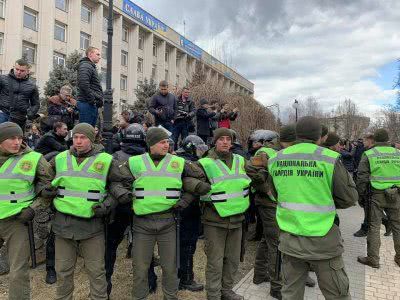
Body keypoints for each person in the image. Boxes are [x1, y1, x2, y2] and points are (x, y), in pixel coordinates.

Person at [110, 127, 210, 300]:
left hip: (169, 222)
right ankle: (139, 296)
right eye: (162, 142)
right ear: (151, 144)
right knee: (140, 267)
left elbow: (199, 179)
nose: (166, 145)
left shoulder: (178, 162)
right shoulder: (134, 162)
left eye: (167, 142)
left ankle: (170, 297)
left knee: (170, 266)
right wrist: (124, 196)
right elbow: (117, 182)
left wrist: (185, 201)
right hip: (142, 223)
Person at [267, 116, 358, 299]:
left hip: (290, 239)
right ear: (320, 136)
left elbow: (276, 194)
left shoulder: (276, 159)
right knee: (337, 294)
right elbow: (349, 198)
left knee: (290, 294)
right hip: (323, 242)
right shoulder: (329, 158)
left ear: (297, 134)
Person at [50, 123, 123, 299]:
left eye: (83, 138)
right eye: (75, 137)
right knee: (63, 273)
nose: (78, 141)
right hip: (63, 227)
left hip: (92, 226)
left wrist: (106, 205)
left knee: (97, 272)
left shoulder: (106, 160)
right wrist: (43, 191)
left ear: (92, 139)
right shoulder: (59, 158)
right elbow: (41, 179)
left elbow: (118, 186)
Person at [192, 128, 265, 300]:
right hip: (214, 220)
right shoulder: (205, 163)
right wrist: (198, 187)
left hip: (237, 220)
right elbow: (189, 178)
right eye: (221, 139)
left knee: (232, 260)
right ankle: (214, 295)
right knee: (215, 262)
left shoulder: (241, 160)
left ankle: (227, 290)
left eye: (228, 139)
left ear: (232, 142)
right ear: (215, 142)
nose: (225, 142)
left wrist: (260, 176)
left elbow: (256, 173)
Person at [0, 122, 54, 300]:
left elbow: (49, 188)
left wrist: (33, 208)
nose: (17, 142)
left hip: (17, 219)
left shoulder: (35, 159)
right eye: (12, 138)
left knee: (18, 270)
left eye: (20, 138)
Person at [106, 123, 158, 297]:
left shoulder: (114, 156)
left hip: (120, 207)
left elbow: (109, 183)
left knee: (111, 246)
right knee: (145, 248)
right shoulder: (149, 157)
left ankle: (105, 283)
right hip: (143, 207)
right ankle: (150, 283)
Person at [356, 129, 400, 268]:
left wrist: (361, 196)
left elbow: (362, 178)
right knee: (398, 226)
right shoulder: (398, 153)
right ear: (388, 140)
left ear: (375, 140)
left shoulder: (369, 154)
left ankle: (373, 259)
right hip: (396, 193)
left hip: (376, 195)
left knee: (374, 227)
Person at [175, 135, 209, 292]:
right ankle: (186, 279)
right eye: (199, 148)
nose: (201, 152)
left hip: (178, 210)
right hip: (187, 211)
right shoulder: (189, 164)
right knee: (187, 245)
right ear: (191, 147)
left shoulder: (175, 160)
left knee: (178, 245)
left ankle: (177, 275)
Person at [0, 59, 40, 129]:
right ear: (13, 67)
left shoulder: (32, 86)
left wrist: (29, 115)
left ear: (27, 71)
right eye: (17, 69)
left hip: (19, 118)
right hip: (3, 114)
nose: (18, 72)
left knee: (16, 139)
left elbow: (36, 104)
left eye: (22, 71)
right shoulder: (2, 79)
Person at [353, 133, 375, 238]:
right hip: (387, 188)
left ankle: (365, 229)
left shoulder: (369, 153)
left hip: (370, 187)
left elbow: (362, 175)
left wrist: (360, 192)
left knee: (368, 210)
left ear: (370, 140)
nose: (363, 142)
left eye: (365, 140)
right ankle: (387, 222)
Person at [77, 47, 103, 126]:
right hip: (87, 104)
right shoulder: (86, 66)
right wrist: (92, 100)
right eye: (97, 54)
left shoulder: (90, 66)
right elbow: (83, 84)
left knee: (89, 132)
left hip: (90, 104)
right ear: (90, 54)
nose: (100, 57)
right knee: (85, 131)